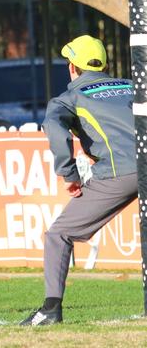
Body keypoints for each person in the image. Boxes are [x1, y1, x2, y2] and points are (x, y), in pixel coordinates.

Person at [20, 35, 137, 326]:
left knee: (59, 235)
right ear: (104, 64)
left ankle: (50, 309)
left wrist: (68, 174)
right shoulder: (132, 85)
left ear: (72, 68)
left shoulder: (69, 98)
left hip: (119, 174)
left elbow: (55, 130)